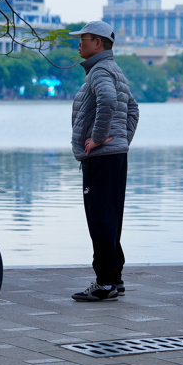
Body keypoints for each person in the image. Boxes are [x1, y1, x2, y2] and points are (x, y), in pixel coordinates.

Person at [68, 21, 139, 301]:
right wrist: (121, 140)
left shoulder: (100, 71)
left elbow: (109, 101)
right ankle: (115, 278)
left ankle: (105, 283)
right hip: (115, 156)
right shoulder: (114, 70)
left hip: (102, 157)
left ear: (98, 43)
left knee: (100, 219)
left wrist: (98, 139)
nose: (79, 43)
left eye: (83, 38)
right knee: (111, 218)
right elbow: (133, 109)